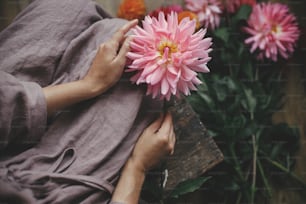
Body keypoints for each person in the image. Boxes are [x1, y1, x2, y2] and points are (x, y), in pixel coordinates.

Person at [0, 0, 175, 203]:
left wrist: (89, 85)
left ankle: (84, 60)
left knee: (68, 7)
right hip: (51, 192)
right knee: (141, 69)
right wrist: (137, 168)